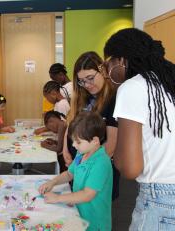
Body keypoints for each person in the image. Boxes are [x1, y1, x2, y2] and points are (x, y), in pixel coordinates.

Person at [103, 28, 175, 230]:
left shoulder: (133, 87)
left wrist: (116, 152)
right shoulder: (170, 81)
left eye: (108, 63)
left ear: (122, 60)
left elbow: (130, 168)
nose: (107, 70)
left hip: (161, 201)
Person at [39, 112, 112, 231]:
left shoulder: (101, 163)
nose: (73, 145)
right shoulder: (81, 154)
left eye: (78, 142)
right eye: (73, 141)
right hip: (80, 213)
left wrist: (58, 198)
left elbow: (87, 194)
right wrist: (52, 182)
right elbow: (69, 174)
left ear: (95, 141)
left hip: (94, 221)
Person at [64, 51, 120, 200]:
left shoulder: (114, 99)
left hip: (95, 170)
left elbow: (111, 145)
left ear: (102, 70)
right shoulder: (82, 97)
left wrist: (86, 168)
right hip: (79, 166)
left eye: (90, 78)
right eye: (82, 81)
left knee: (95, 214)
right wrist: (65, 149)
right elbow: (71, 124)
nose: (87, 85)